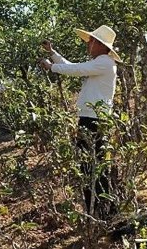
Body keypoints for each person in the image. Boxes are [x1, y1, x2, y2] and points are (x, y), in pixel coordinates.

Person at [39, 25, 121, 219]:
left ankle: (103, 213)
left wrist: (51, 66)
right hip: (90, 119)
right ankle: (100, 212)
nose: (88, 44)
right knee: (90, 166)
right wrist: (53, 53)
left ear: (100, 45)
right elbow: (74, 66)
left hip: (94, 120)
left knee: (92, 167)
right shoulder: (100, 63)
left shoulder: (104, 62)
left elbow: (76, 69)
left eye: (91, 41)